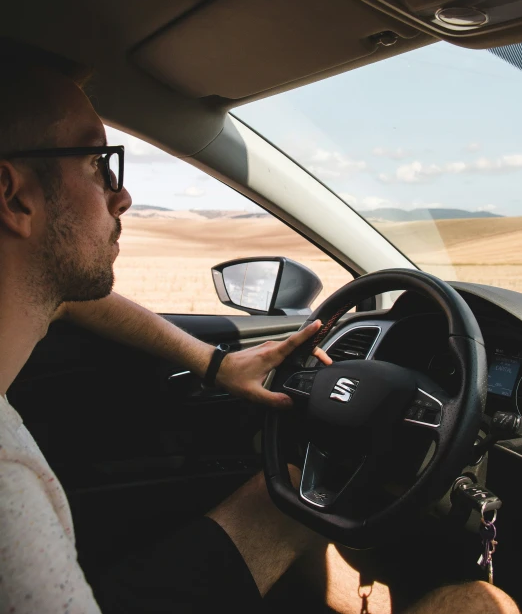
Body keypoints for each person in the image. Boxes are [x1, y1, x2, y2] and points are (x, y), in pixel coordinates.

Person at [0, 39, 518, 614]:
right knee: (478, 602)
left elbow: (74, 300)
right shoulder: (8, 488)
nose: (122, 195)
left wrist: (216, 363)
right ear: (11, 194)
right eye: (99, 164)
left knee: (287, 498)